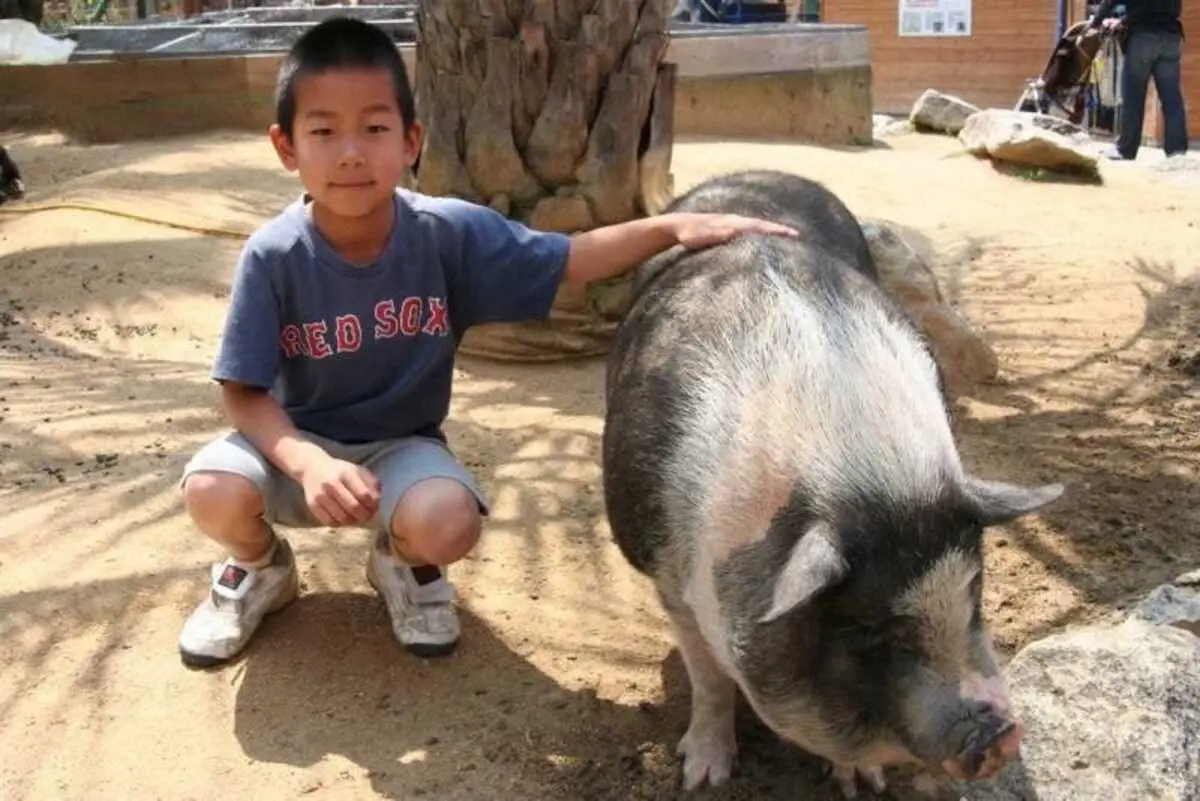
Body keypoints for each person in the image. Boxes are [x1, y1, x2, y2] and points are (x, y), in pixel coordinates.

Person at [176, 16, 799, 668]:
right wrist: (309, 465)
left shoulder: (447, 235)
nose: (352, 152)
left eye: (375, 128)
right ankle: (258, 568)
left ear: (412, 140)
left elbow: (572, 258)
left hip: (398, 449)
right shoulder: (272, 256)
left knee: (449, 521)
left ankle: (401, 563)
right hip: (292, 447)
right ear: (286, 146)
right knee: (213, 489)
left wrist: (673, 227)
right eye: (324, 131)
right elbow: (243, 393)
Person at [1088, 0, 1189, 160]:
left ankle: (1126, 149)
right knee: (1172, 100)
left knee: (1133, 97)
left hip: (1142, 36)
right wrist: (1124, 19)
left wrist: (1096, 21)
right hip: (1171, 36)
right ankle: (1177, 151)